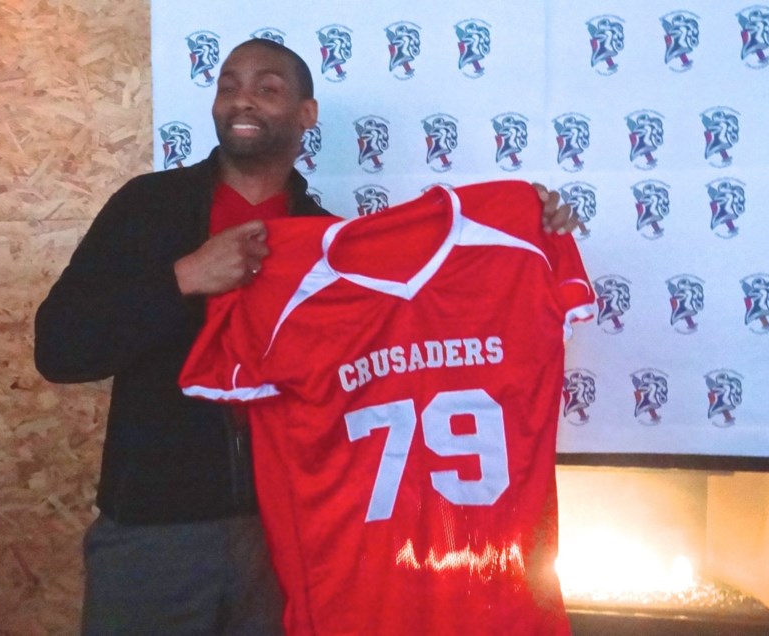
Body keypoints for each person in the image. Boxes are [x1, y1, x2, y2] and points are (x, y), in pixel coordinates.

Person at [34, 37, 578, 634]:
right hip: (153, 533)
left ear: (305, 114)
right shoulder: (146, 207)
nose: (243, 100)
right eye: (229, 86)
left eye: (267, 88)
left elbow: (419, 337)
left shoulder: (328, 245)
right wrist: (186, 277)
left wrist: (533, 232)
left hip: (287, 539)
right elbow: (60, 349)